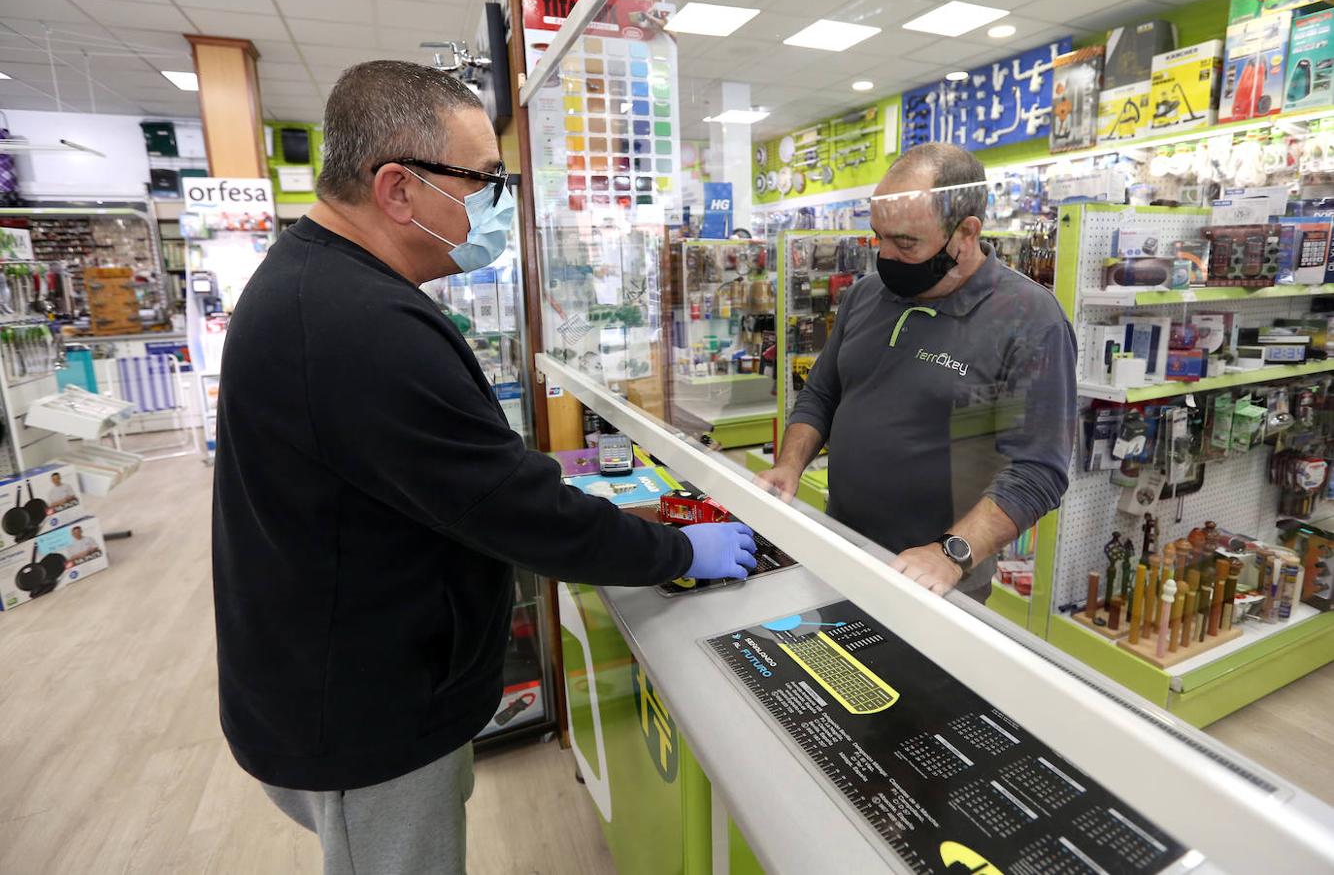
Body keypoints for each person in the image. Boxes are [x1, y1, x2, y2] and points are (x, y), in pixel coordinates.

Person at [211, 61, 756, 875]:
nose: (498, 205)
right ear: (397, 189)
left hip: (354, 676)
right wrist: (680, 552)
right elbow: (515, 512)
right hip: (366, 718)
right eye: (484, 180)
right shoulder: (357, 322)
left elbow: (449, 477)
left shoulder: (322, 282)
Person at [757, 143, 1076, 601]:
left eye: (905, 243)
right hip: (839, 546)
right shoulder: (867, 294)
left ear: (966, 233)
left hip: (934, 582)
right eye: (878, 237)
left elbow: (1038, 471)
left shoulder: (1029, 319)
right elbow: (822, 395)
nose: (884, 256)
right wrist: (789, 465)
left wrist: (950, 555)